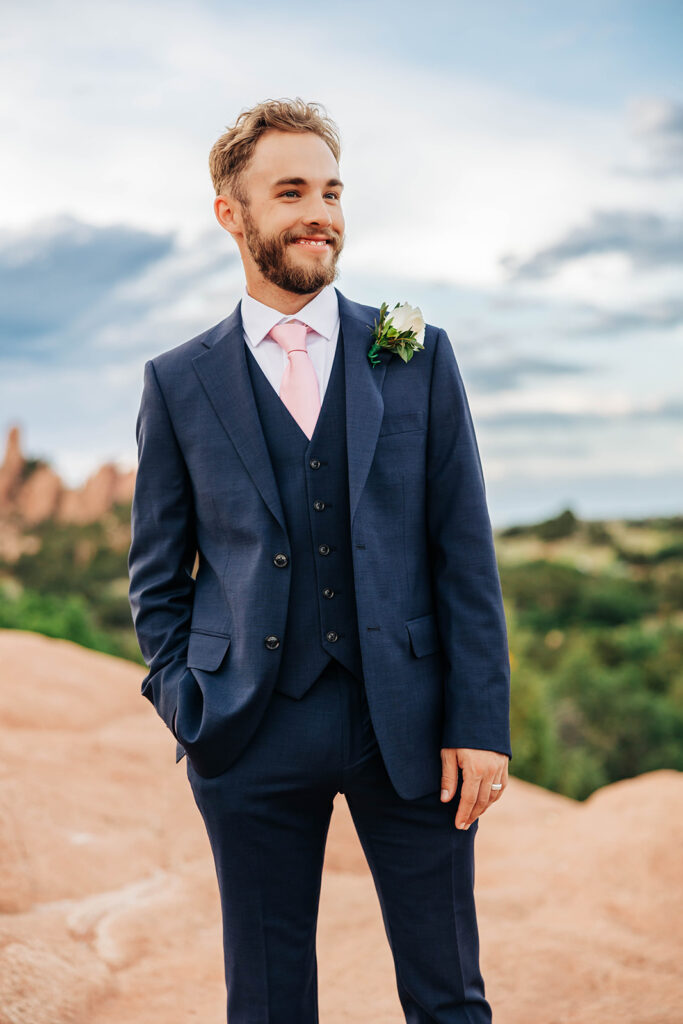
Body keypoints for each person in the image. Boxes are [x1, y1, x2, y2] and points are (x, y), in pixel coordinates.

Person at [128, 96, 512, 1024]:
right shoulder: (178, 381)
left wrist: (480, 719)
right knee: (264, 1004)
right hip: (247, 732)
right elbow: (156, 575)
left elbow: (464, 552)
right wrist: (189, 702)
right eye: (291, 190)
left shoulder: (418, 354)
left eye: (332, 191)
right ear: (232, 214)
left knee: (449, 997)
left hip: (411, 729)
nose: (321, 214)